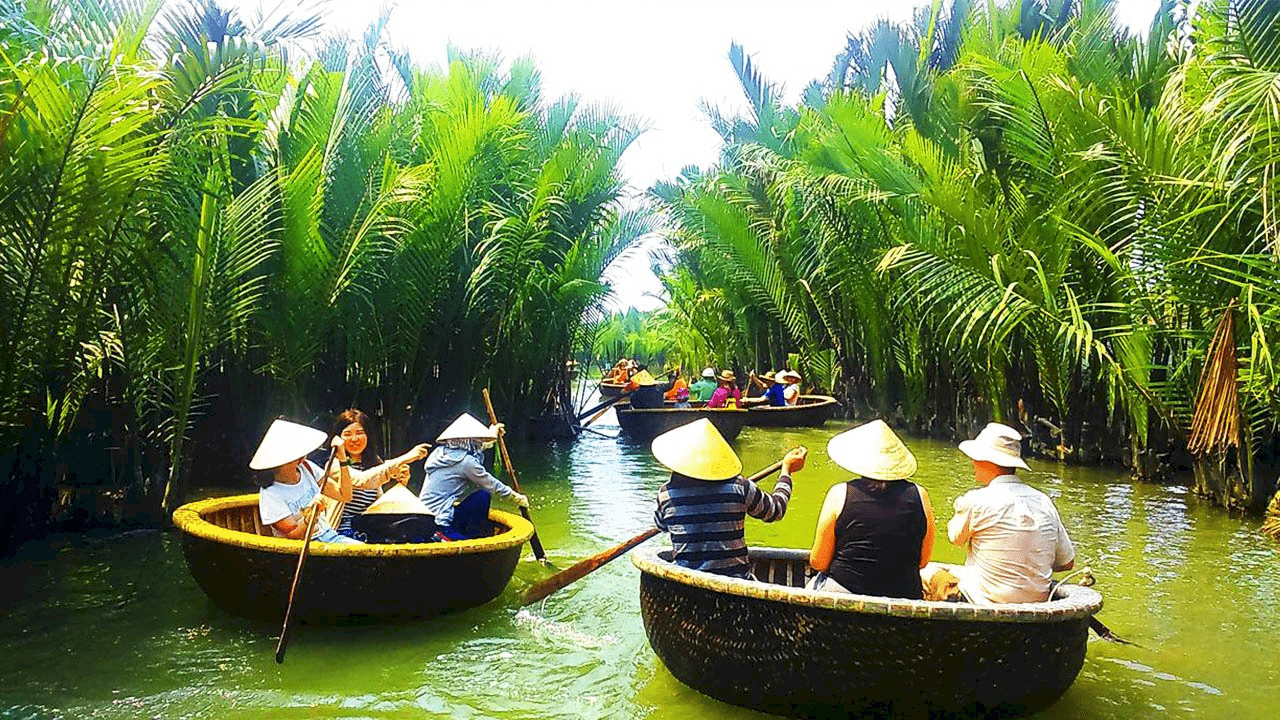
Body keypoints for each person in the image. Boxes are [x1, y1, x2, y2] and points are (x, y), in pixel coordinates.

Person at [923, 422, 1075, 603]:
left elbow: (955, 538)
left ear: (988, 461)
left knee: (927, 571)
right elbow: (1067, 563)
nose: (973, 463)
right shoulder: (1044, 501)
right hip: (1037, 602)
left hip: (983, 601)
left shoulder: (975, 500)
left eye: (976, 458)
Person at [652, 418, 808, 578]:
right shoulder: (740, 487)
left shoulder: (665, 494)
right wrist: (786, 471)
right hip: (736, 579)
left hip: (686, 582)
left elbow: (661, 525)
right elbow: (776, 510)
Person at [807, 420, 936, 599]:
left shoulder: (839, 494)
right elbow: (922, 561)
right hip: (905, 595)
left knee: (814, 583)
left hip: (845, 593)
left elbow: (818, 561)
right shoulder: (920, 495)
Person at [419, 413, 529, 540]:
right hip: (438, 522)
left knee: (481, 497)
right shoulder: (466, 463)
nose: (479, 443)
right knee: (484, 496)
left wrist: (492, 433)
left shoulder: (440, 453)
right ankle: (468, 538)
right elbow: (492, 484)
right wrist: (516, 497)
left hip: (425, 516)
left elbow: (475, 449)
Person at [251, 418, 360, 544]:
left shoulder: (307, 467)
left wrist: (343, 459)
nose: (303, 456)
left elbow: (345, 495)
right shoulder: (270, 494)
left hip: (329, 536)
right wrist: (310, 516)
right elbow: (293, 535)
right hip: (305, 546)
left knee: (363, 550)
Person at [329, 409, 430, 541]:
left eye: (360, 433)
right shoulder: (335, 465)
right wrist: (406, 457)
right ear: (339, 439)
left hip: (369, 525)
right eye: (347, 434)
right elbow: (362, 480)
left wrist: (401, 483)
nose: (354, 439)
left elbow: (379, 504)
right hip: (344, 530)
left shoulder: (374, 462)